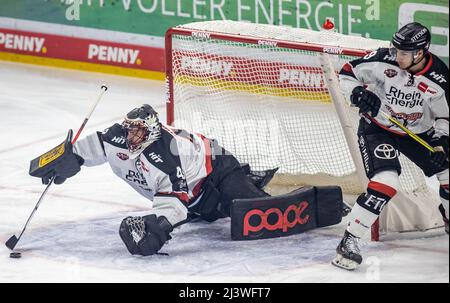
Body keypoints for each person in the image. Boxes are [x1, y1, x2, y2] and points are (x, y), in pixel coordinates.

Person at [37, 104, 281, 256]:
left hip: (216, 171)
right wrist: (70, 156)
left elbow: (175, 200)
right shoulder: (119, 136)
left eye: (137, 131)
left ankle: (247, 183)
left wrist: (160, 226)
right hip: (193, 192)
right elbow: (99, 143)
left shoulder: (163, 157)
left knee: (252, 212)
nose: (131, 135)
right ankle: (244, 184)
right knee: (205, 214)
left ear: (151, 132)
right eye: (129, 129)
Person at [334, 22, 449, 270]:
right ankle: (350, 240)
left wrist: (441, 142)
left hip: (418, 132)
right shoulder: (382, 59)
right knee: (386, 183)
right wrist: (357, 93)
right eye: (396, 50)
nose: (397, 56)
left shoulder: (439, 76)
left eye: (404, 53)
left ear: (420, 53)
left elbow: (444, 116)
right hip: (378, 128)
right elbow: (346, 72)